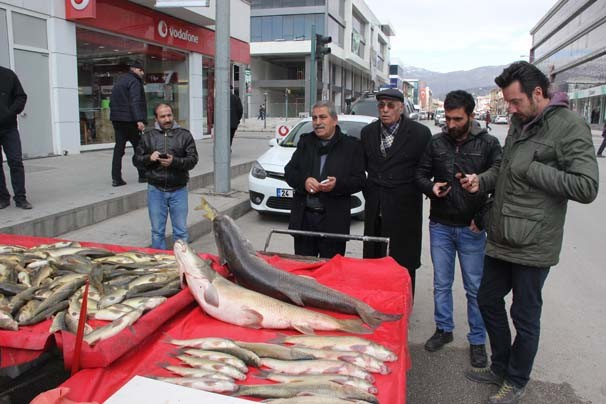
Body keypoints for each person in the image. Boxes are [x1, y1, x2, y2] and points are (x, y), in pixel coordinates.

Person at [461, 61, 599, 404]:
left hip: (535, 242)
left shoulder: (570, 126)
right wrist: (482, 181)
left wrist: (535, 169)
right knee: (487, 300)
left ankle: (517, 379)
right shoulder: (521, 124)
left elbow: (587, 186)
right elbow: (507, 172)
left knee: (524, 315)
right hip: (502, 235)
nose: (509, 109)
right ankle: (501, 366)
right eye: (507, 102)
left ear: (538, 94)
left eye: (514, 101)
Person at [415, 90, 502, 368]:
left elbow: (499, 185)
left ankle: (477, 340)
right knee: (441, 284)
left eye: (457, 119)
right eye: (448, 119)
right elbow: (419, 174)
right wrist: (431, 187)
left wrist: (483, 218)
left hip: (472, 228)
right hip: (440, 225)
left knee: (474, 287)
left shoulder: (488, 144)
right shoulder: (436, 142)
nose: (451, 125)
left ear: (471, 116)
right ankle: (444, 329)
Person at [361, 88, 432, 296]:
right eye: (381, 105)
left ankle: (403, 301)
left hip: (405, 206)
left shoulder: (420, 134)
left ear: (401, 108)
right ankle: (374, 297)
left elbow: (426, 170)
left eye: (390, 106)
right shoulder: (368, 133)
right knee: (374, 256)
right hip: (376, 205)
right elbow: (363, 166)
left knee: (404, 258)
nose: (385, 110)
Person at [284, 100, 365, 258]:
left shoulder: (351, 146)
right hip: (304, 221)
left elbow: (360, 180)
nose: (317, 122)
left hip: (334, 222)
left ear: (334, 120)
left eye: (322, 117)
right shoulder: (305, 142)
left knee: (331, 273)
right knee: (304, 270)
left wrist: (337, 185)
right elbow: (289, 172)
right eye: (314, 118)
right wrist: (304, 181)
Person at [134, 103, 198, 250]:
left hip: (179, 189)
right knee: (157, 232)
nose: (167, 119)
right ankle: (160, 264)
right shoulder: (148, 136)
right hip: (156, 190)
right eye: (163, 116)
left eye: (169, 115)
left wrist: (174, 161)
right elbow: (136, 160)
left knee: (181, 231)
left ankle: (183, 263)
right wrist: (149, 158)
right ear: (156, 118)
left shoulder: (184, 135)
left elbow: (193, 160)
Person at [110, 59, 148, 187]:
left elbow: (112, 100)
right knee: (140, 148)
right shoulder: (135, 81)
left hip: (117, 120)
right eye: (141, 71)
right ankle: (143, 175)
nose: (142, 73)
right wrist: (139, 120)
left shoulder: (120, 80)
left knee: (118, 149)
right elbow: (135, 101)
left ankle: (116, 178)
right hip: (130, 121)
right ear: (136, 70)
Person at [0, 66, 31, 210]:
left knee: (16, 162)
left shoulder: (8, 75)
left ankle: (20, 198)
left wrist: (10, 112)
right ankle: (2, 197)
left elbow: (21, 96)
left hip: (9, 128)